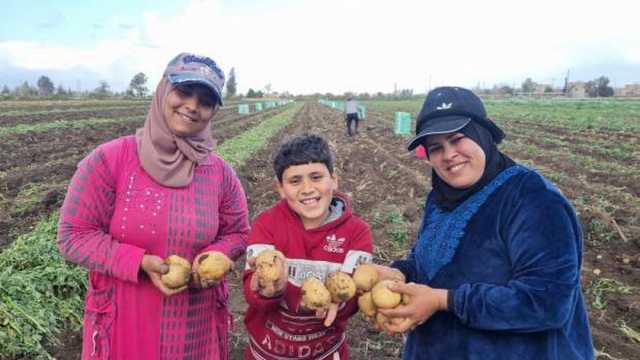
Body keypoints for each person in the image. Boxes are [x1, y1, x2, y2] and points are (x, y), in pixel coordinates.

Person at [372, 87, 594, 359]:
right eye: (436, 148)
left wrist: (445, 301)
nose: (448, 154)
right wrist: (400, 274)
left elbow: (546, 303)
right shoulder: (441, 196)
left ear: (483, 134)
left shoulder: (533, 200)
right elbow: (433, 267)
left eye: (457, 139)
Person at [57, 52, 250, 360]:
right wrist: (139, 262)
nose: (192, 105)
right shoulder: (109, 160)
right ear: (163, 90)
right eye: (184, 91)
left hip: (195, 325)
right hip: (125, 322)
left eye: (205, 100)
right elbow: (73, 235)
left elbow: (238, 233)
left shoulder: (220, 173)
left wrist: (217, 257)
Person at [242, 134, 374, 359]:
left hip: (325, 351)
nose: (307, 189)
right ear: (280, 188)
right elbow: (250, 289)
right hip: (267, 351)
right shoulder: (266, 224)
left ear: (333, 179)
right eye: (295, 181)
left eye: (316, 177)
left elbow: (354, 294)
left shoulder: (357, 232)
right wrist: (265, 290)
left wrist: (340, 303)